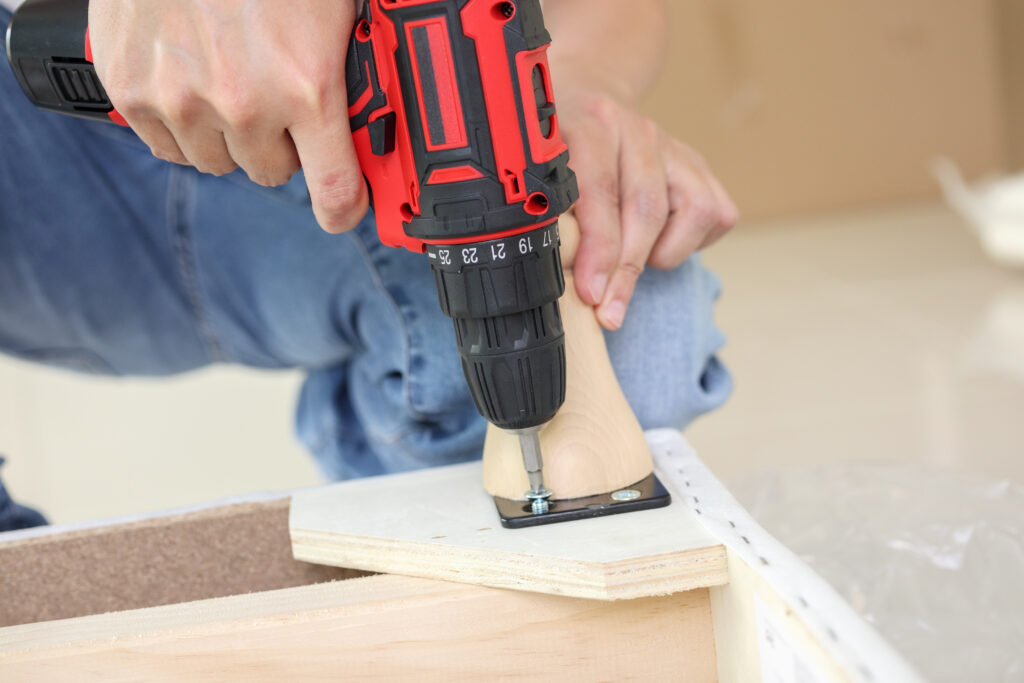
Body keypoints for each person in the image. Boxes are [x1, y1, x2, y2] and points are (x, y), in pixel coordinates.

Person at [0, 0, 736, 530]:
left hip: (317, 113)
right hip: (35, 148)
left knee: (642, 340)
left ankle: (440, 572)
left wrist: (558, 92)